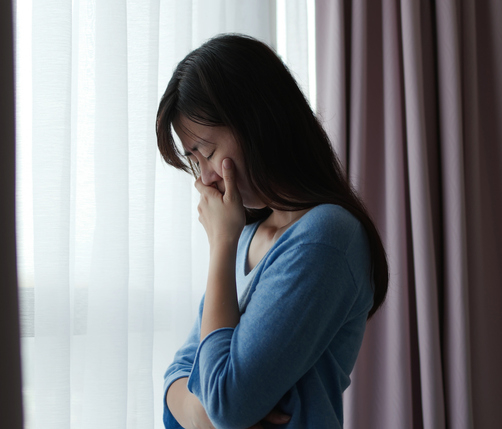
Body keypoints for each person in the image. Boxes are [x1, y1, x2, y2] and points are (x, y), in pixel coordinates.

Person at [156, 34, 388, 429]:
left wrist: (221, 244)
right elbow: (179, 373)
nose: (207, 178)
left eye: (208, 153)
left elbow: (226, 404)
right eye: (195, 162)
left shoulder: (325, 237)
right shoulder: (250, 234)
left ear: (256, 121)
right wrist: (202, 412)